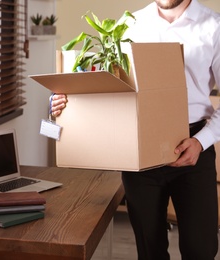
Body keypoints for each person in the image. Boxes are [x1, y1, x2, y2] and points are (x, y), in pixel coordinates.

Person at [51, 0, 220, 259]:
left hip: (194, 147)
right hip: (140, 150)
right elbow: (109, 86)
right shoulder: (130, 24)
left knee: (201, 249)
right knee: (148, 248)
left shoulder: (214, 26)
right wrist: (65, 102)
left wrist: (201, 141)